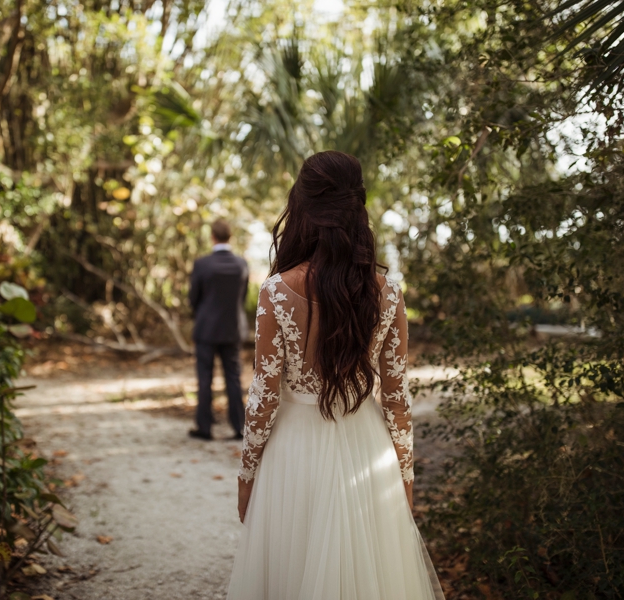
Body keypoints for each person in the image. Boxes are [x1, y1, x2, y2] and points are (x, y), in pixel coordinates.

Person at [227, 151, 445, 599]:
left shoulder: (275, 292)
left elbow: (265, 396)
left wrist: (247, 476)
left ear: (303, 206)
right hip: (370, 451)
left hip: (293, 454)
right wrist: (404, 478)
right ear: (356, 207)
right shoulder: (388, 293)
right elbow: (398, 399)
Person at [188, 218, 249, 441]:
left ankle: (204, 428)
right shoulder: (242, 264)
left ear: (212, 237)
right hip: (232, 330)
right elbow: (242, 298)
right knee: (233, 378)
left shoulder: (202, 264)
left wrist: (200, 314)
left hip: (206, 329)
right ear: (229, 237)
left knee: (205, 379)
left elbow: (193, 298)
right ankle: (239, 427)